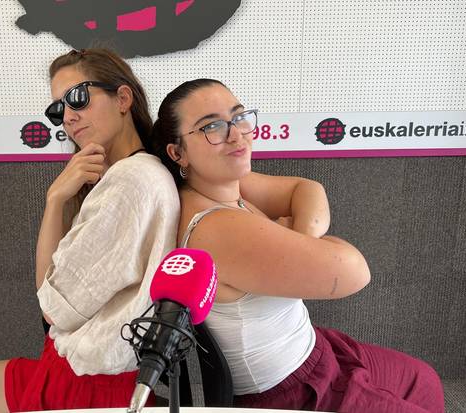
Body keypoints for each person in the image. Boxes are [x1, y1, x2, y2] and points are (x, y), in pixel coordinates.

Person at [148, 78, 445, 412]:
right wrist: (297, 243)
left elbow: (306, 189)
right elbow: (355, 271)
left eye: (238, 117)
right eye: (212, 127)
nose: (236, 135)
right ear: (178, 153)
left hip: (317, 349)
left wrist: (298, 241)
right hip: (293, 391)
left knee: (423, 380)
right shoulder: (216, 227)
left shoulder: (224, 184)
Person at [0, 48, 179, 413]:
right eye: (59, 109)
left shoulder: (129, 181)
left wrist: (55, 200)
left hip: (88, 383)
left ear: (123, 98)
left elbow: (52, 310)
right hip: (90, 367)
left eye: (79, 97)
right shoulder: (131, 174)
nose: (69, 117)